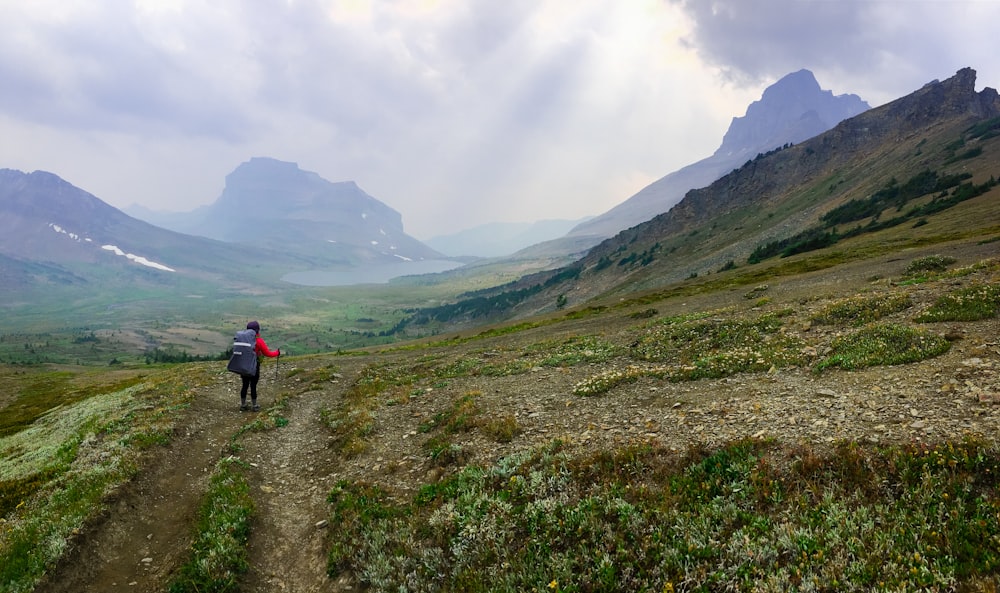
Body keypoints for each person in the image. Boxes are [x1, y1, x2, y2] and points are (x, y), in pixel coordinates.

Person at [240, 320, 280, 411]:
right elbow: (268, 353)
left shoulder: (243, 339)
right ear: (257, 330)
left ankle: (243, 405)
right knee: (253, 385)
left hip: (243, 366)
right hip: (254, 366)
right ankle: (254, 406)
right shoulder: (259, 341)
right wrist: (277, 353)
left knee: (245, 385)